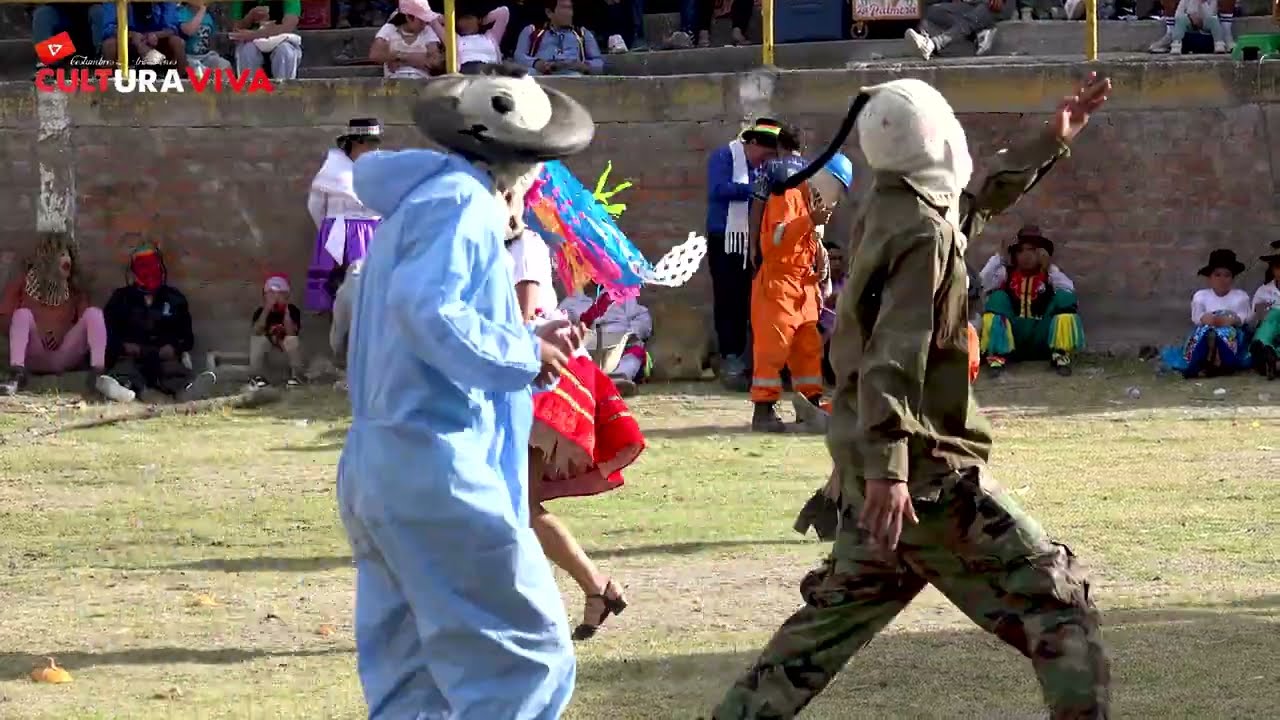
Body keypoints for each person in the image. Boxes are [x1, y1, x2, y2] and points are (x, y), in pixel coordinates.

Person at [713, 74, 1113, 719]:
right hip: (920, 477)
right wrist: (891, 471)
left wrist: (1050, 140)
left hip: (876, 469)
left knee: (818, 637)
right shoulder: (921, 230)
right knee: (1058, 608)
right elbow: (893, 355)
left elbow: (972, 205)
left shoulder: (896, 204)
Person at [337, 63, 592, 719]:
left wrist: (526, 336)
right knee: (528, 663)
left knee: (411, 679)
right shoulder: (463, 204)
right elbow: (433, 312)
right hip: (438, 467)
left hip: (383, 467)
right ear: (523, 164)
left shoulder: (414, 207)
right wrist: (523, 353)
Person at [509, 227, 644, 641]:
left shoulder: (522, 245)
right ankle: (596, 588)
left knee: (516, 504)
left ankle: (579, 593)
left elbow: (521, 318)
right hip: (525, 372)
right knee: (514, 504)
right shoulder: (493, 240)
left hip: (541, 376)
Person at [749, 152, 853, 433]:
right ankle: (763, 411)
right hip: (778, 284)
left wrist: (822, 271)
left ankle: (811, 404)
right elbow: (775, 241)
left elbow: (813, 243)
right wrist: (809, 221)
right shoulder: (788, 195)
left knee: (808, 348)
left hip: (804, 285)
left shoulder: (811, 203)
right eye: (838, 188)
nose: (837, 197)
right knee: (773, 348)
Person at [0, 233, 132, 402]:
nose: (66, 258)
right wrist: (38, 333)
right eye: (61, 254)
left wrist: (63, 335)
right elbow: (4, 321)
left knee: (94, 314)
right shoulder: (23, 283)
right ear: (47, 258)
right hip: (34, 354)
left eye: (68, 253)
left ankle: (98, 377)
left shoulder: (75, 288)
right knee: (22, 315)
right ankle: (16, 377)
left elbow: (88, 328)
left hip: (64, 355)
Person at [707, 118, 782, 391]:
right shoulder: (724, 157)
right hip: (726, 238)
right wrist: (753, 189)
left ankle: (760, 361)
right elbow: (718, 189)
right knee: (729, 299)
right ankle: (731, 358)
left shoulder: (762, 168)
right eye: (764, 154)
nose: (765, 161)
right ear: (750, 144)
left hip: (755, 239)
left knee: (756, 300)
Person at [103, 243, 215, 401]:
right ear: (134, 271)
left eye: (153, 265)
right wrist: (124, 347)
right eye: (143, 266)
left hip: (164, 359)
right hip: (132, 359)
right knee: (125, 374)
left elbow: (187, 338)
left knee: (176, 376)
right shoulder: (120, 299)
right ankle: (122, 391)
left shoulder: (175, 299)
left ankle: (189, 391)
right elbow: (108, 335)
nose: (149, 271)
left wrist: (174, 347)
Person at [978, 224, 1085, 377]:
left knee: (1065, 298)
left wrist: (1048, 269)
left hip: (1042, 339)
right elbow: (982, 282)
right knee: (996, 298)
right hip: (1014, 342)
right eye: (1021, 251)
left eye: (1032, 250)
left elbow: (1069, 290)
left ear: (1042, 253)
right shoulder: (1006, 273)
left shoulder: (1050, 274)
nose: (1026, 256)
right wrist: (999, 256)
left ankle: (1060, 355)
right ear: (1015, 255)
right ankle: (997, 357)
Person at [306, 118, 383, 313]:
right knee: (338, 286)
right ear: (357, 142)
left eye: (376, 143)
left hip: (372, 231)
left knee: (368, 286)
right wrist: (326, 230)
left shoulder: (380, 165)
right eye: (370, 142)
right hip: (339, 230)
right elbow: (315, 204)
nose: (374, 148)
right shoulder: (333, 167)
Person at [1160, 249, 1254, 379]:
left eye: (1227, 275)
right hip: (1207, 329)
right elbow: (1196, 318)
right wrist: (1205, 318)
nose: (1222, 280)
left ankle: (1222, 361)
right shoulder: (1201, 296)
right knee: (1204, 332)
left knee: (1226, 332)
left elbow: (1246, 317)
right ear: (1210, 278)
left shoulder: (1240, 297)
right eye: (1217, 275)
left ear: (1232, 278)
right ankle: (1201, 361)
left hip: (1232, 334)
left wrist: (1232, 320)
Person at [560, 282, 652, 396]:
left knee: (636, 347)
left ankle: (618, 379)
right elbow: (559, 322)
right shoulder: (572, 299)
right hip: (588, 351)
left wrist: (631, 332)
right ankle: (586, 383)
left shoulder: (622, 294)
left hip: (619, 346)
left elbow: (642, 317)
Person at [514, 0, 605, 76]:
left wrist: (582, 66)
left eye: (570, 8)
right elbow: (519, 56)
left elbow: (599, 63)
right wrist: (536, 63)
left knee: (575, 76)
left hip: (572, 76)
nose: (569, 13)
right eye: (563, 8)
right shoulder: (531, 31)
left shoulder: (583, 34)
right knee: (529, 74)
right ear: (549, 13)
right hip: (540, 75)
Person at [905, 0, 1015, 60]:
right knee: (934, 11)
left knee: (976, 15)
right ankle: (975, 30)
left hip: (995, 5)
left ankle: (933, 44)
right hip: (971, 5)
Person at [249, 274, 305, 387]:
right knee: (258, 339)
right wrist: (268, 308)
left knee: (291, 340)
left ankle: (297, 376)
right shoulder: (260, 311)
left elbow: (292, 332)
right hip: (269, 350)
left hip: (286, 350)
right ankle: (257, 377)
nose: (275, 297)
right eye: (271, 293)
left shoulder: (293, 310)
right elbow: (256, 331)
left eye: (279, 294)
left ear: (286, 295)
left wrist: (285, 310)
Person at [229, 0, 303, 80]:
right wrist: (250, 17)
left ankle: (283, 90)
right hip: (250, 42)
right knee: (248, 51)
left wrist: (255, 34)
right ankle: (250, 90)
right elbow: (235, 29)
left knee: (285, 51)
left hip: (281, 40)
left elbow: (288, 26)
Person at [100, 2, 187, 70]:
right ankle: (108, 85)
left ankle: (182, 84)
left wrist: (155, 35)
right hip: (127, 39)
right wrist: (132, 36)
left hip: (157, 39)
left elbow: (173, 28)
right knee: (109, 44)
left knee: (178, 42)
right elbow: (108, 29)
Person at [369, 0, 444, 79]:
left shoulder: (427, 31)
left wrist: (398, 57)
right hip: (394, 84)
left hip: (421, 83)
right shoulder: (389, 29)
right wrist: (419, 59)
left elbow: (435, 60)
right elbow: (375, 54)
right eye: (421, 20)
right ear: (409, 17)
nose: (425, 23)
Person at [1250, 241, 1280, 380]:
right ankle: (1263, 348)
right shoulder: (1264, 291)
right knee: (1272, 316)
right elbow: (1256, 316)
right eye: (1279, 266)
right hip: (1271, 331)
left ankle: (1270, 359)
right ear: (1273, 269)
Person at [178, 0, 233, 75]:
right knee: (201, 72)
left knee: (225, 65)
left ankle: (223, 86)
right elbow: (189, 31)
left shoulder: (208, 16)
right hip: (188, 57)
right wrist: (202, 10)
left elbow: (211, 39)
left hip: (205, 56)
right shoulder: (182, 12)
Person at [454, 1, 509, 72]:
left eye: (468, 18)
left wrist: (482, 21)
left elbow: (503, 12)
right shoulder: (456, 38)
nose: (465, 23)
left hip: (492, 70)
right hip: (468, 71)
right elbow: (435, 19)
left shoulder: (491, 36)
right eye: (462, 20)